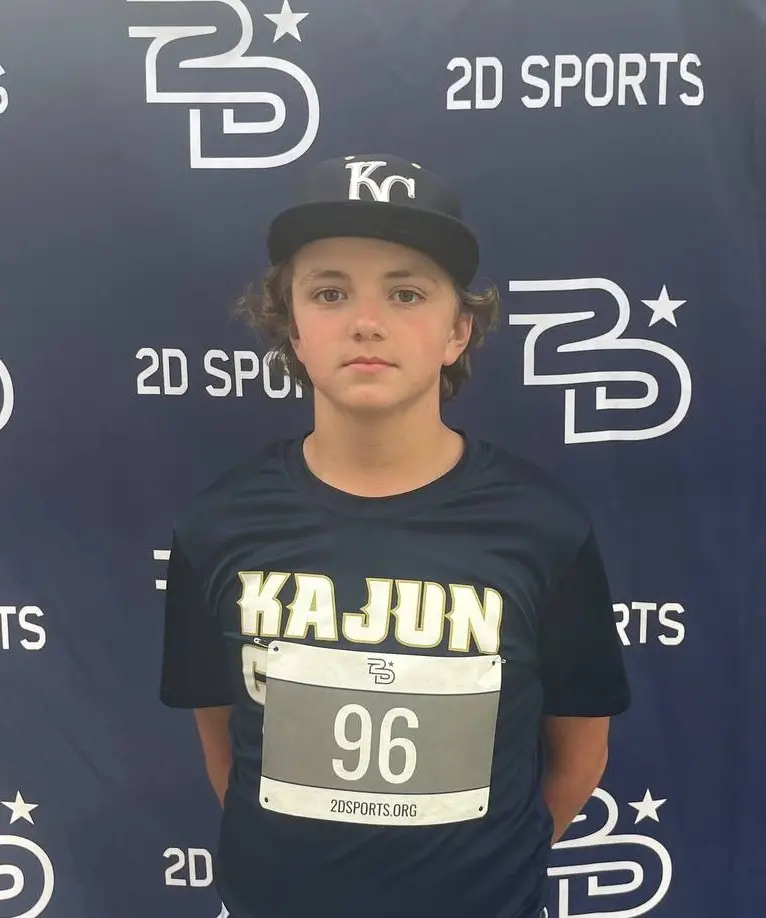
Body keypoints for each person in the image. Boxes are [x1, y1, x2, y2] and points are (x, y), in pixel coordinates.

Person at [159, 152, 631, 918]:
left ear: (457, 331)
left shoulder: (543, 528)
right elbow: (225, 745)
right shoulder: (219, 525)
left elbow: (580, 754)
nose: (366, 321)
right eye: (330, 292)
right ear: (293, 328)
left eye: (406, 292)